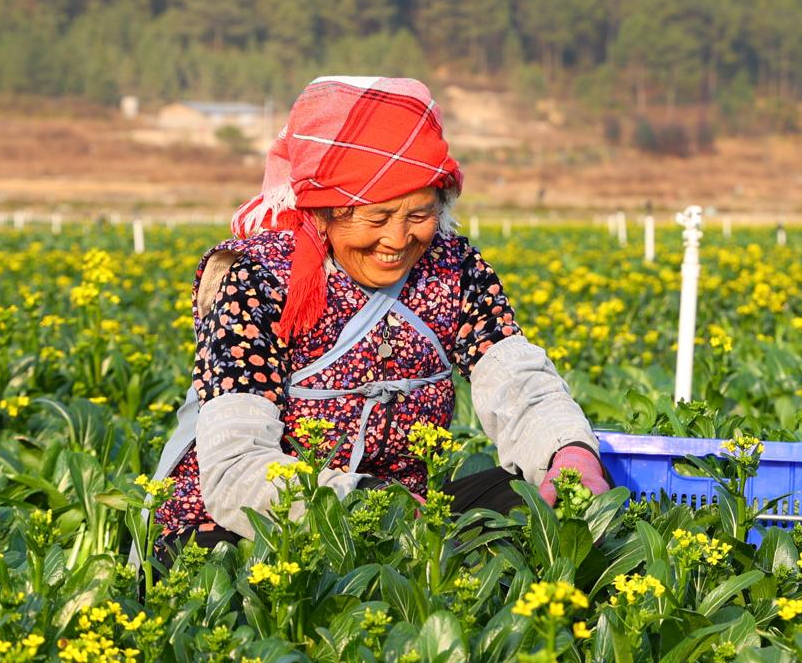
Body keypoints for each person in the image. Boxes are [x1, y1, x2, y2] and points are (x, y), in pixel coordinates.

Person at [147, 76, 609, 566]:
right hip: (256, 521)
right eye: (375, 217)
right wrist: (363, 504)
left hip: (406, 519)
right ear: (321, 212)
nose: (397, 239)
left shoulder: (452, 265)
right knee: (229, 569)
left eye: (420, 214)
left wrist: (569, 454)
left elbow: (517, 379)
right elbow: (236, 467)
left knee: (539, 505)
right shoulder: (256, 277)